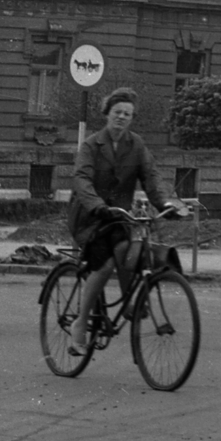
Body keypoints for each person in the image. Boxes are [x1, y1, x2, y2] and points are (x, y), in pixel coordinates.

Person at [68, 88, 179, 353]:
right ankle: (80, 324)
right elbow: (81, 180)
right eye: (117, 112)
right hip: (90, 218)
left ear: (132, 118)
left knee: (132, 252)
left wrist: (164, 203)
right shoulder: (92, 145)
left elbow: (151, 177)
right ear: (107, 114)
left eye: (127, 114)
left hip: (119, 217)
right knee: (105, 265)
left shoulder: (136, 145)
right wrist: (97, 205)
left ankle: (132, 302)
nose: (121, 117)